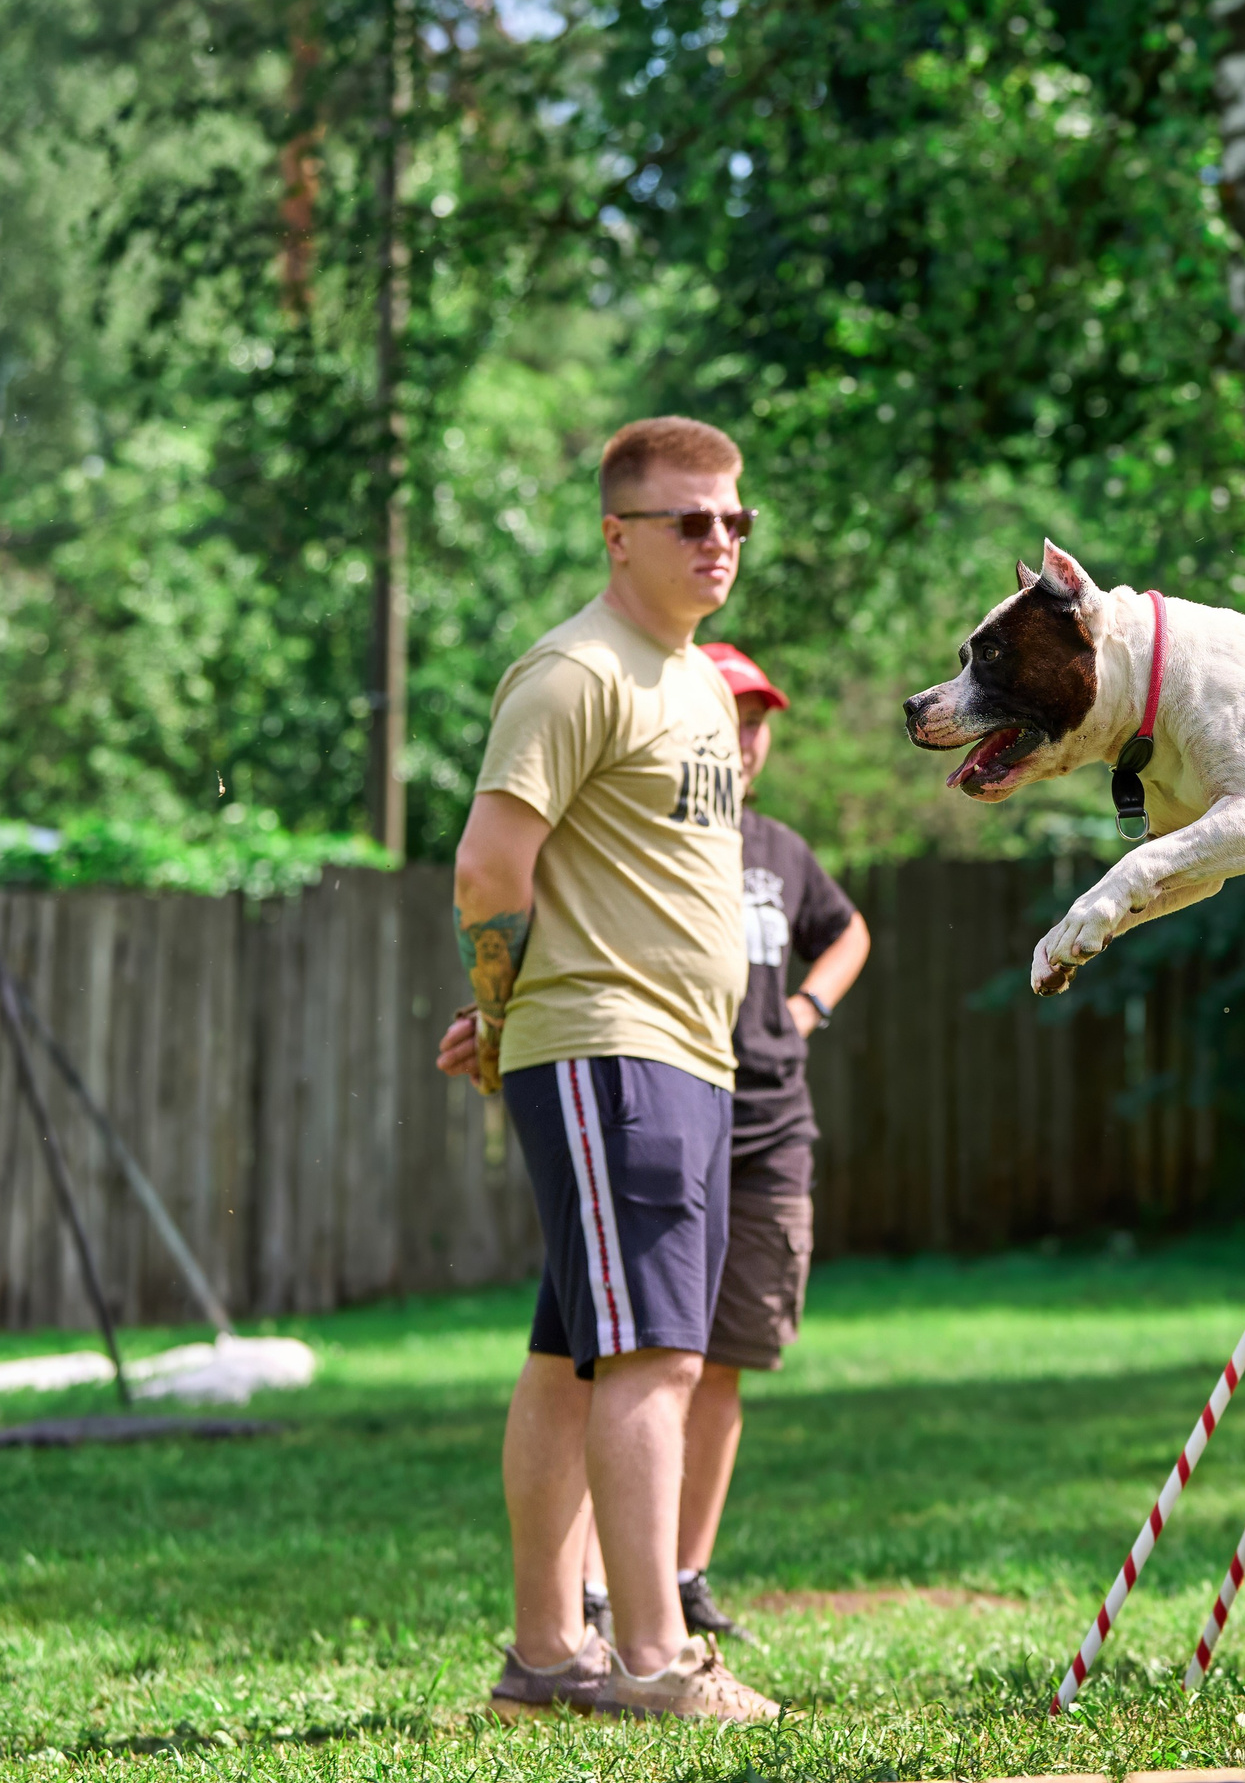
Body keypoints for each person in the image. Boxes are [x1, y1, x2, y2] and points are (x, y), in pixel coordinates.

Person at [436, 414, 778, 1723]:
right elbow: (489, 869)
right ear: (616, 534)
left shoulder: (692, 681)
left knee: (572, 1353)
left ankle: (544, 1656)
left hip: (679, 1054)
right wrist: (502, 1015)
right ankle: (651, 1660)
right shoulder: (574, 672)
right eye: (690, 519)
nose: (719, 540)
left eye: (735, 518)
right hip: (614, 1047)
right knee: (654, 1359)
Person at [574, 643, 871, 1645]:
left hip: (771, 1127)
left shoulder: (780, 849)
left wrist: (806, 1009)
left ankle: (685, 1574)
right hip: (665, 1112)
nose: (745, 740)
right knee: (641, 1355)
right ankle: (599, 1588)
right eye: (730, 718)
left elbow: (849, 929)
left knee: (729, 1358)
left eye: (758, 723)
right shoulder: (648, 830)